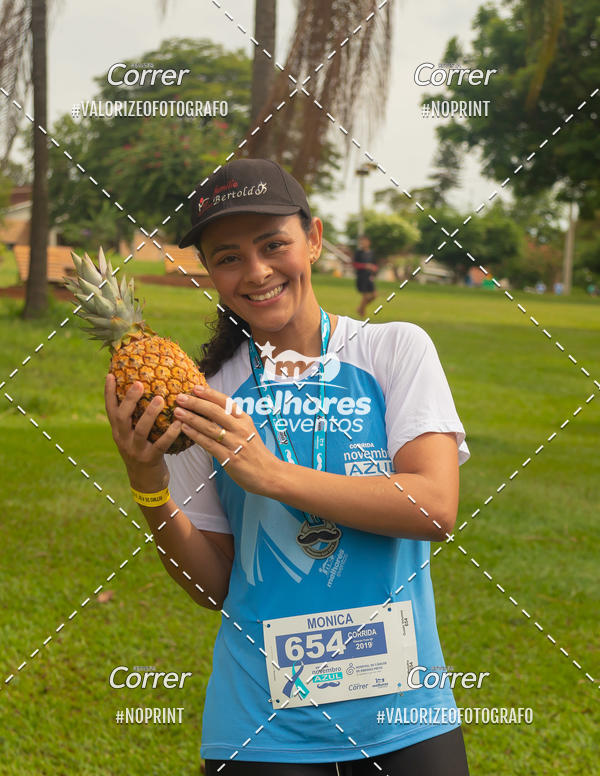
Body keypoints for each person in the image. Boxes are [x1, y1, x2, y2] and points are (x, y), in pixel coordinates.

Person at [105, 158, 471, 775]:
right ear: (211, 274)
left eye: (274, 244)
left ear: (314, 239)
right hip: (258, 729)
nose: (256, 271)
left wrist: (270, 474)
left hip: (405, 720)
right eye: (228, 257)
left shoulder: (393, 350)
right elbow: (214, 586)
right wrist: (148, 486)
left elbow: (434, 507)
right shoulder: (203, 396)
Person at [353, 235, 378, 316]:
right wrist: (365, 266)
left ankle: (360, 308)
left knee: (374, 295)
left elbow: (375, 264)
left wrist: (374, 269)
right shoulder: (358, 253)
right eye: (361, 241)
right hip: (361, 277)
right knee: (365, 296)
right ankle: (362, 313)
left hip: (369, 277)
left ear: (369, 242)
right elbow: (355, 264)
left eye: (365, 241)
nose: (363, 243)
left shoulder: (372, 253)